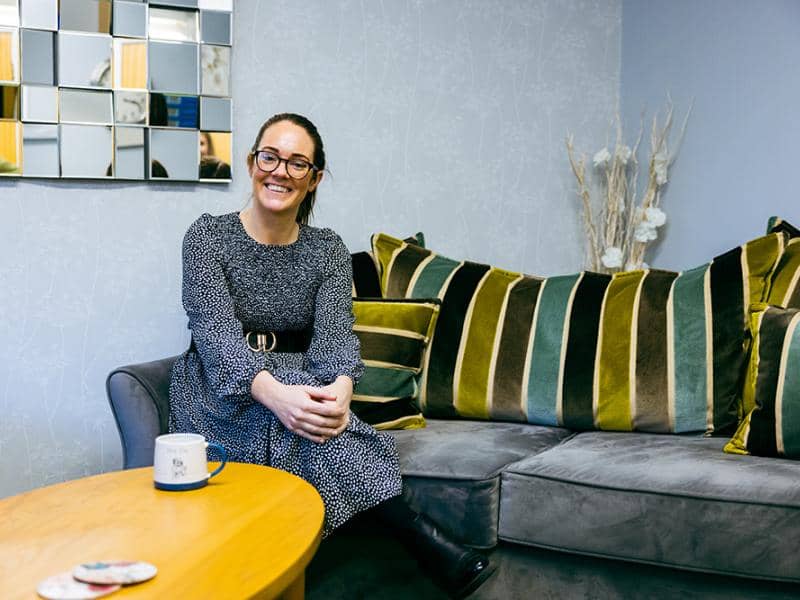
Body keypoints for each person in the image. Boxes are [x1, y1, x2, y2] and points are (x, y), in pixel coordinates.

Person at [168, 113, 494, 598]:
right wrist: (277, 397)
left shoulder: (327, 249)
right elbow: (215, 334)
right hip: (220, 388)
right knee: (302, 430)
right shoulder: (207, 238)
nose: (280, 171)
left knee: (324, 425)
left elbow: (337, 337)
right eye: (270, 157)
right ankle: (425, 542)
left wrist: (340, 391)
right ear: (251, 162)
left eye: (297, 164)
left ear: (314, 178)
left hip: (304, 379)